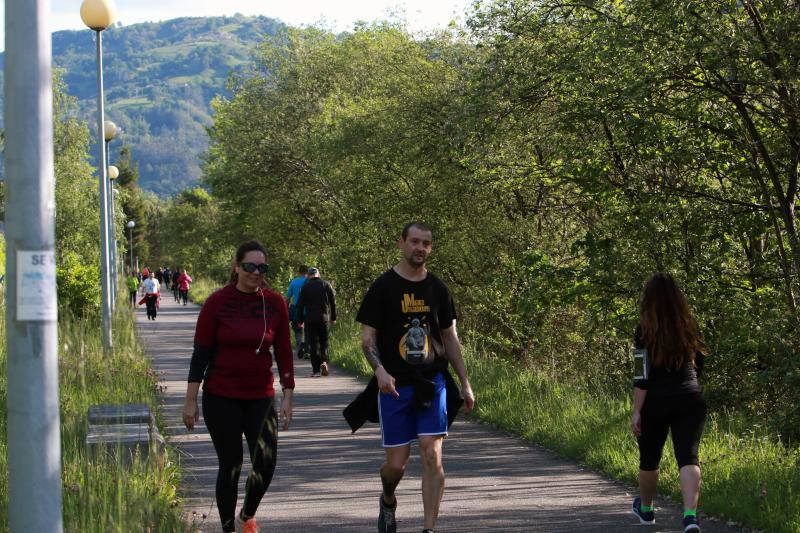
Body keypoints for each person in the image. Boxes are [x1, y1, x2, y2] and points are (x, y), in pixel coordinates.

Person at [350, 221, 475, 533]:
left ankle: (429, 528)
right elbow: (368, 339)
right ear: (402, 243)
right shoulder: (383, 287)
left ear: (430, 248)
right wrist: (379, 371)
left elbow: (450, 338)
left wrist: (465, 382)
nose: (420, 248)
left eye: (426, 243)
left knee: (431, 453)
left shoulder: (438, 289)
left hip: (432, 383)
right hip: (394, 387)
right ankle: (388, 498)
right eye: (415, 242)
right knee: (396, 465)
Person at [182, 240, 295, 533]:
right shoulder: (217, 303)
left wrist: (287, 395)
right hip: (221, 396)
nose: (256, 272)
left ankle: (247, 513)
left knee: (266, 462)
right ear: (236, 267)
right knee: (230, 465)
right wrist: (190, 401)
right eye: (249, 266)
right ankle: (229, 527)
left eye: (262, 267)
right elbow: (200, 355)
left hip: (260, 396)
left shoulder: (274, 303)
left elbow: (283, 352)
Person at [630, 273, 707, 533]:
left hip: (655, 403)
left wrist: (636, 412)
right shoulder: (690, 325)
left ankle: (647, 509)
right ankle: (690, 517)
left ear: (649, 298)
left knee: (649, 460)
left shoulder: (644, 330)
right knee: (688, 458)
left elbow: (642, 377)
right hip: (689, 398)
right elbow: (701, 364)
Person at [296, 267, 336, 377]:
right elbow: (332, 302)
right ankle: (324, 362)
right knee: (324, 342)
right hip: (324, 319)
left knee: (313, 345)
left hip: (310, 319)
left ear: (308, 275)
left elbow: (300, 305)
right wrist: (333, 317)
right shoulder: (326, 284)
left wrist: (299, 320)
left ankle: (316, 371)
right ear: (318, 274)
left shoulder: (305, 287)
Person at [285, 265, 308, 359]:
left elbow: (288, 298)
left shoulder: (294, 282)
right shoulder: (309, 282)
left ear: (299, 272)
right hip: (308, 309)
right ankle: (307, 348)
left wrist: (286, 308)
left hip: (296, 309)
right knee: (308, 329)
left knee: (297, 328)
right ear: (307, 272)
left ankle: (300, 344)